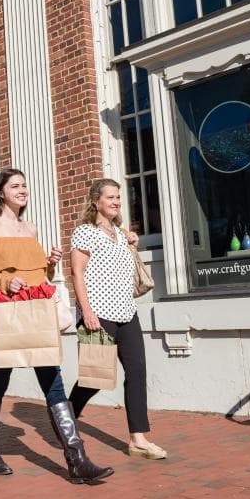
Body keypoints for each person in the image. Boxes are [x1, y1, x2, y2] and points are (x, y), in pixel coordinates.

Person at [0, 168, 114, 484]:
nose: (23, 190)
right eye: (16, 185)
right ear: (1, 192)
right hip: (7, 314)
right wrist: (7, 281)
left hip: (36, 311)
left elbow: (40, 278)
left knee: (54, 383)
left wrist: (50, 264)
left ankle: (77, 459)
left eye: (25, 185)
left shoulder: (30, 228)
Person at [67, 178, 167, 460]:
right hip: (98, 313)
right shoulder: (84, 233)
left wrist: (131, 238)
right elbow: (77, 273)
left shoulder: (121, 234)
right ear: (95, 201)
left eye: (118, 198)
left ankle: (138, 439)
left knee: (136, 372)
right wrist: (86, 311)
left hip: (126, 312)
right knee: (95, 377)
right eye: (110, 197)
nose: (115, 202)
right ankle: (66, 415)